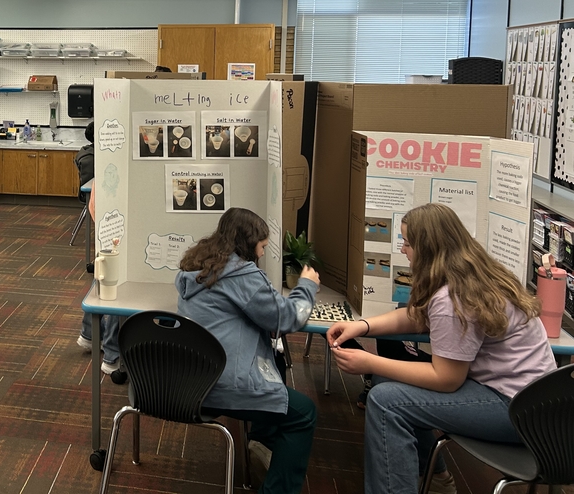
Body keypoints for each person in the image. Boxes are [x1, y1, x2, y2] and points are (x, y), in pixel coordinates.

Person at [327, 203, 556, 494]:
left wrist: (369, 363)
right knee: (389, 382)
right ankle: (435, 479)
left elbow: (447, 379)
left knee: (386, 401)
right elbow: (418, 314)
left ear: (428, 248)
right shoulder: (476, 274)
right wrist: (364, 326)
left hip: (515, 411)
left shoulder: (453, 299)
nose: (403, 250)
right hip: (537, 404)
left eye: (408, 243)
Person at [177, 208, 320, 494]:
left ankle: (261, 442)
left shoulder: (197, 267)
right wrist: (307, 286)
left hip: (188, 380)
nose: (263, 253)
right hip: (221, 387)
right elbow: (287, 318)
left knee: (275, 363)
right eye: (262, 246)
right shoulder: (242, 275)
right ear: (247, 243)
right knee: (304, 413)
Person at [74, 123, 122, 374]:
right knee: (115, 285)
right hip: (117, 231)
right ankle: (112, 354)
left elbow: (93, 206)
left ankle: (90, 334)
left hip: (108, 227)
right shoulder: (115, 165)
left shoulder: (101, 161)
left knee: (106, 280)